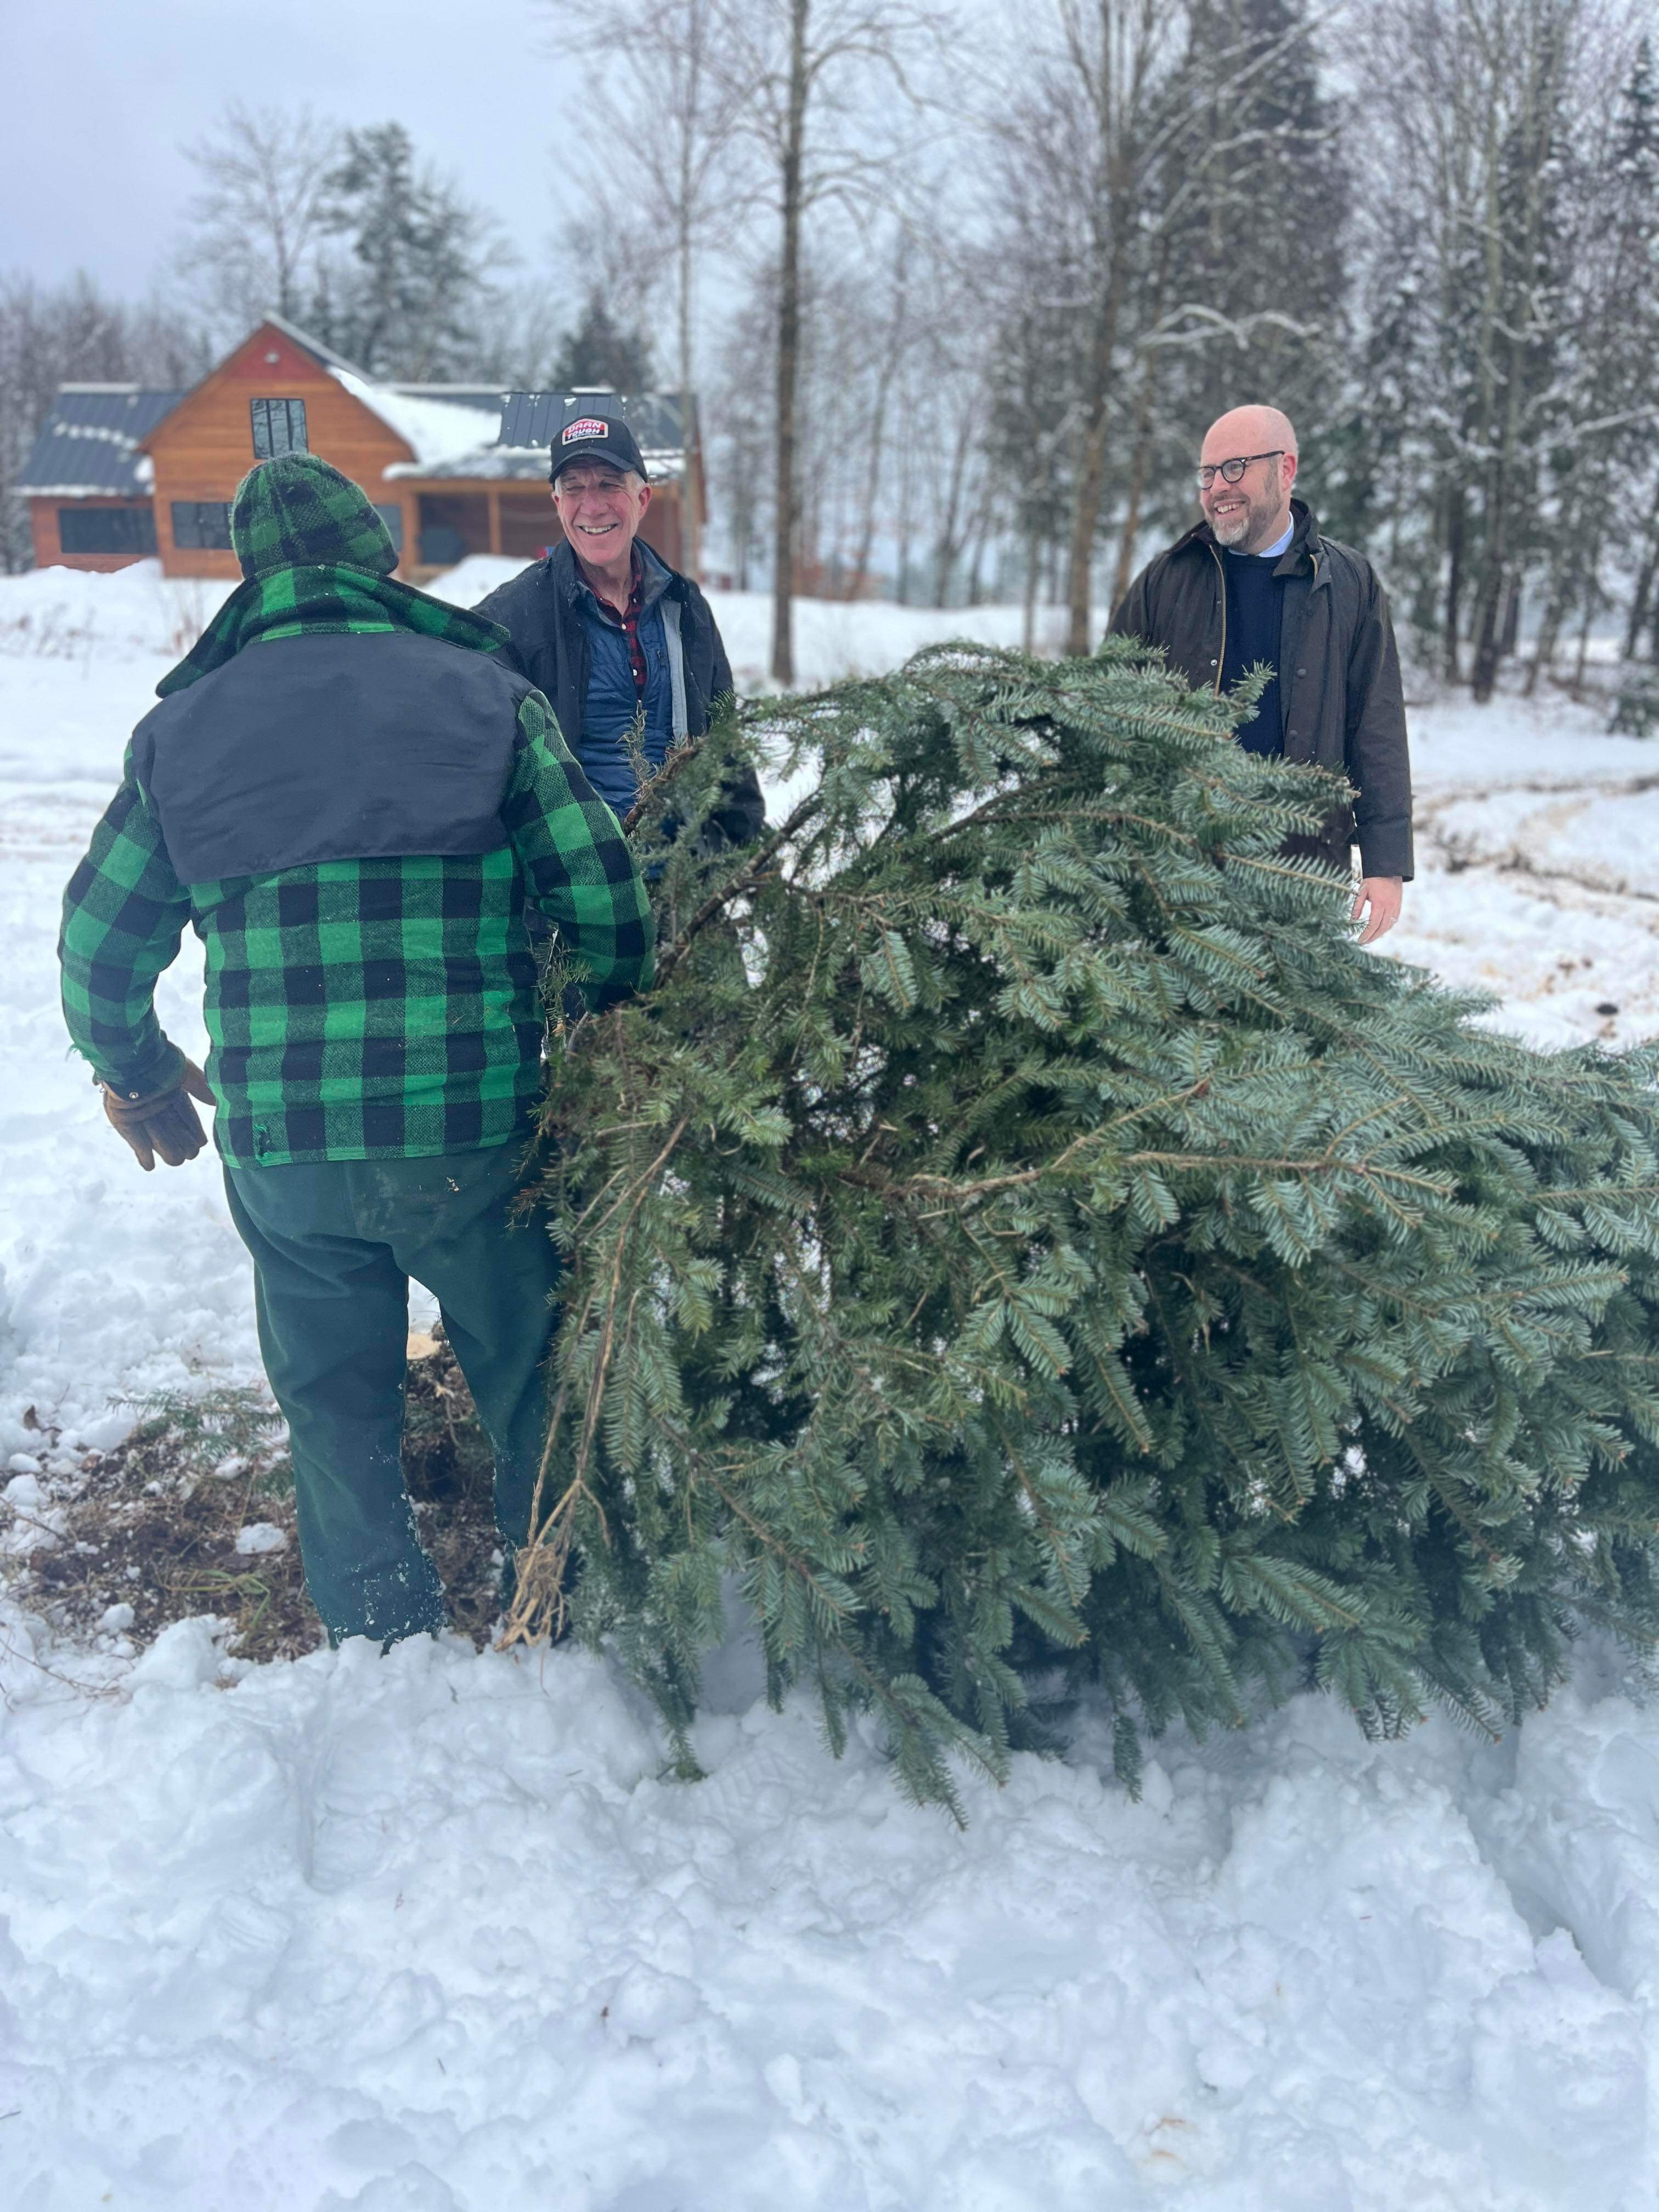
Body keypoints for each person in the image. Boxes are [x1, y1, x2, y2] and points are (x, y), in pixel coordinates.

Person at [59, 454, 654, 1648]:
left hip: (288, 1140)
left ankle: (378, 1631)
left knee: (331, 1401)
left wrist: (135, 1073)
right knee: (530, 1371)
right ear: (377, 555)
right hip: (474, 1126)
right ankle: (553, 1598)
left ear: (253, 574)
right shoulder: (487, 697)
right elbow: (606, 903)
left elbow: (96, 951)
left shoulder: (178, 735)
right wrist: (591, 1026)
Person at [1109, 404, 1412, 944]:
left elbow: (1377, 726)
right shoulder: (1166, 579)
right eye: (1207, 473)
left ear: (1285, 470)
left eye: (1234, 468)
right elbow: (1108, 707)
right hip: (1181, 869)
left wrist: (1386, 863)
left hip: (1304, 868)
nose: (1217, 488)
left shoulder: (1349, 583)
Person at [475, 400, 764, 845]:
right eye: (573, 488)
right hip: (575, 884)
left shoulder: (684, 607)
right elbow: (485, 769)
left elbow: (723, 741)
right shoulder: (512, 618)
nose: (591, 507)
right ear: (557, 503)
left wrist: (735, 851)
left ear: (642, 498)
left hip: (680, 878)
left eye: (609, 485)